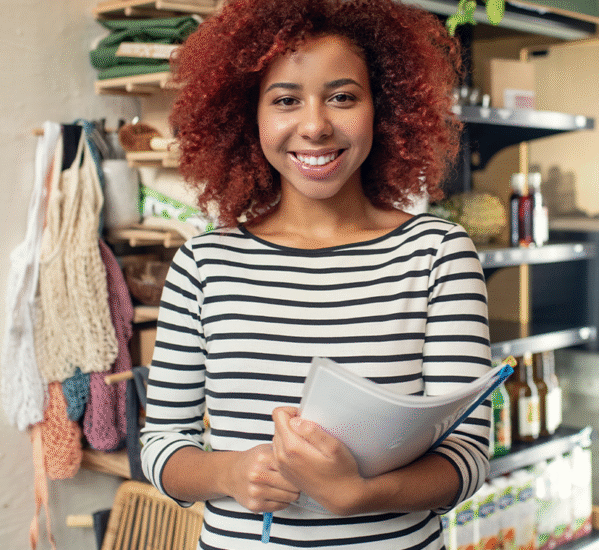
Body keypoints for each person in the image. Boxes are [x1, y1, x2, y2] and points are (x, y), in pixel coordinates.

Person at [139, 0, 493, 547]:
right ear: (247, 114)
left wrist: (361, 494)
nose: (315, 125)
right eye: (285, 100)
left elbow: (467, 455)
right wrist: (228, 473)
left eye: (342, 97)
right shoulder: (204, 266)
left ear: (385, 106)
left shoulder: (436, 255)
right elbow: (161, 444)